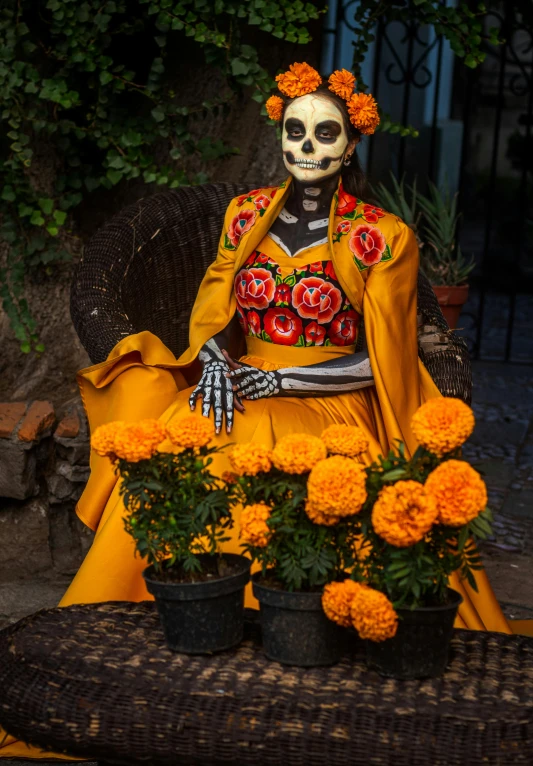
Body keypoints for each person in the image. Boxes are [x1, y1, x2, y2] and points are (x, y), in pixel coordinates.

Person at [0, 61, 529, 762]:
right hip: (235, 379)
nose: (306, 146)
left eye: (324, 134)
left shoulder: (383, 236)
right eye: (294, 132)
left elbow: (387, 360)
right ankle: (169, 657)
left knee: (326, 489)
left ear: (349, 146)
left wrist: (280, 386)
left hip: (335, 399)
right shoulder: (244, 214)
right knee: (177, 452)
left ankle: (293, 666)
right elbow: (213, 311)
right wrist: (217, 362)